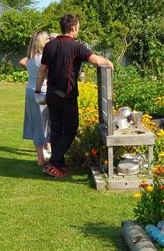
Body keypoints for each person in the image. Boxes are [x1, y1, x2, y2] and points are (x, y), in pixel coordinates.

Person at [35, 14, 113, 178]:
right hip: (66, 96)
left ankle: (59, 165)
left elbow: (42, 70)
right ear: (73, 28)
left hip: (51, 95)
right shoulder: (77, 46)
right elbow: (96, 61)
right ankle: (54, 163)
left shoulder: (49, 46)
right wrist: (109, 62)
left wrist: (37, 90)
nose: (79, 29)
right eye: (78, 26)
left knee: (56, 129)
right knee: (71, 129)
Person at [20, 31, 51, 166]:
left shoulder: (30, 58)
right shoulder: (45, 58)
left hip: (30, 91)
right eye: (48, 39)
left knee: (36, 125)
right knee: (48, 123)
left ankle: (40, 158)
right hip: (42, 92)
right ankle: (50, 153)